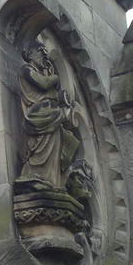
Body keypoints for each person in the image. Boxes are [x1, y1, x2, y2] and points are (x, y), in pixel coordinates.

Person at [16, 41, 79, 192]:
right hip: (39, 114)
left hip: (51, 114)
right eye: (41, 51)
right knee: (40, 147)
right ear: (30, 54)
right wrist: (55, 78)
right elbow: (43, 83)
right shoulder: (26, 69)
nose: (45, 55)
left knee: (63, 142)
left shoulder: (43, 71)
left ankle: (53, 180)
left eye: (46, 53)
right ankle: (34, 174)